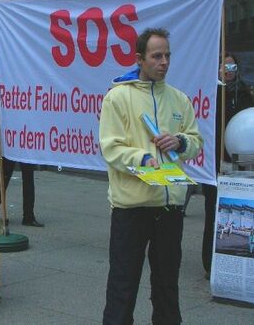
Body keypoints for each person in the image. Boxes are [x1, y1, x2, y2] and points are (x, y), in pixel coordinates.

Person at [99, 27, 203, 325]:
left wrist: (180, 142)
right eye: (156, 56)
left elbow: (195, 142)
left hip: (170, 207)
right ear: (139, 59)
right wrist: (142, 159)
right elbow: (110, 148)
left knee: (167, 285)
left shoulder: (179, 99)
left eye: (167, 55)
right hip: (131, 208)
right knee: (123, 285)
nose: (164, 62)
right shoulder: (117, 98)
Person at [202, 52, 253, 280]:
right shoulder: (213, 93)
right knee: (213, 212)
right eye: (224, 66)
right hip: (216, 163)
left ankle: (238, 257)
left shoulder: (244, 94)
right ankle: (209, 261)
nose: (228, 71)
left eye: (232, 67)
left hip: (241, 164)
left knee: (239, 214)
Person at [0, 158, 43, 227]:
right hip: (17, 150)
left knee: (27, 181)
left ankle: (29, 216)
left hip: (21, 151)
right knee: (3, 180)